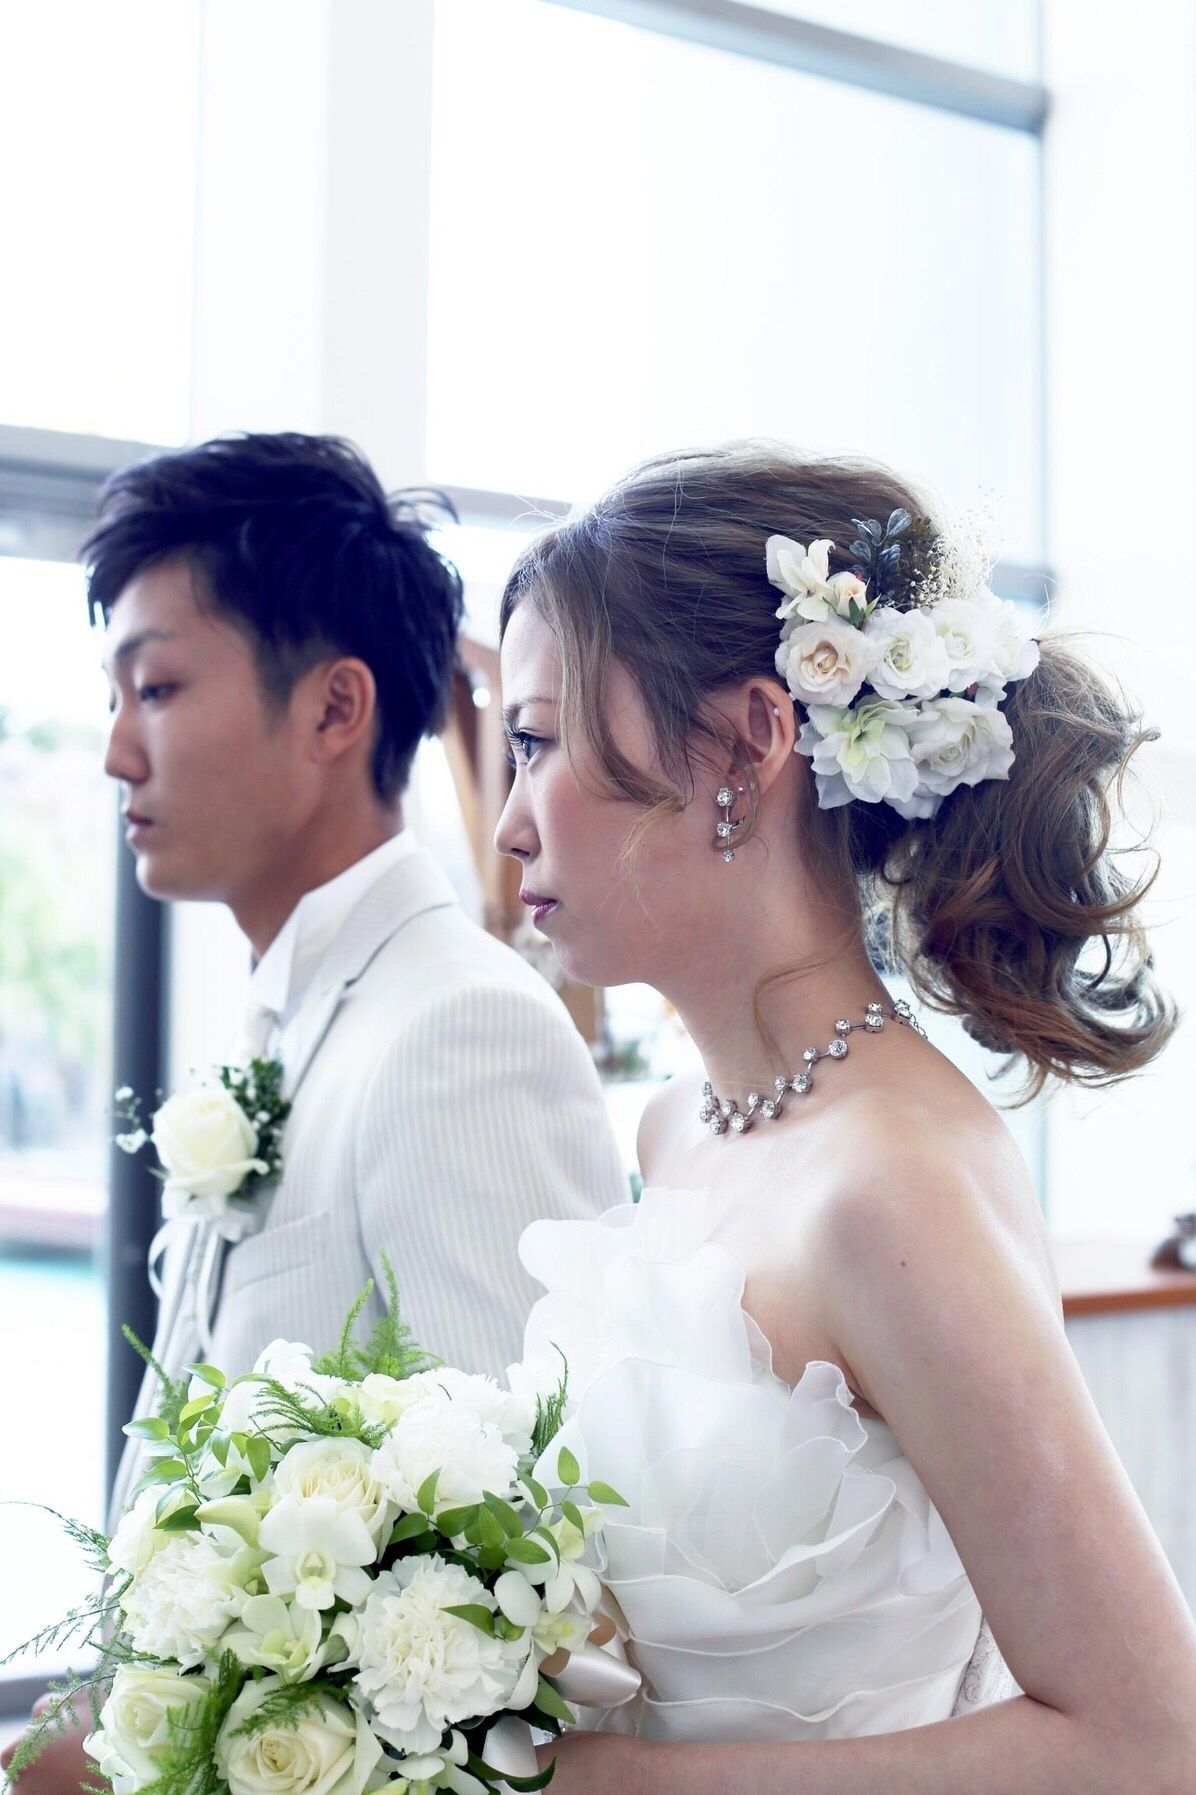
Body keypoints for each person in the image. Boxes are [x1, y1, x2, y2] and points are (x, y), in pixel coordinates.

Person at [494, 443, 1196, 1792]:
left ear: (750, 740)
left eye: (535, 741)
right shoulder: (677, 1132)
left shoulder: (889, 1186)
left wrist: (601, 1785)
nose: (511, 824)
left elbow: (1150, 1743)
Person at [2, 432, 626, 1791]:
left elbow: (522, 1593)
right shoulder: (293, 1012)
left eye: (157, 687)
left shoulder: (462, 1032)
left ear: (337, 709)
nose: (115, 753)